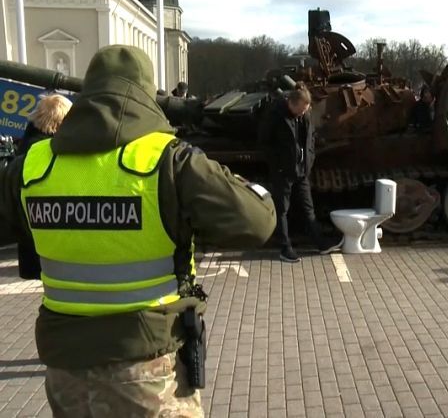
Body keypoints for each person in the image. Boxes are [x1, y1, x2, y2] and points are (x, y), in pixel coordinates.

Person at [0, 45, 277, 416]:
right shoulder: (170, 161)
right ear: (147, 94)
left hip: (65, 369)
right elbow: (257, 223)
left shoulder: (31, 167)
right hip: (148, 367)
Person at [260, 82, 341, 263]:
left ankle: (320, 242)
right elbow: (265, 141)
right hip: (283, 170)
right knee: (282, 209)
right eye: (301, 109)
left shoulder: (304, 116)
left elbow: (310, 137)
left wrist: (309, 159)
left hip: (302, 169)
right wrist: (278, 164)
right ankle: (284, 247)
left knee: (308, 208)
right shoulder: (276, 115)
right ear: (292, 103)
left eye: (306, 109)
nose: (304, 112)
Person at [16, 94, 73, 280]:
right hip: (46, 243)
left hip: (31, 240)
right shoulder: (46, 150)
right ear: (59, 121)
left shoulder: (27, 144)